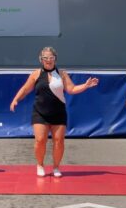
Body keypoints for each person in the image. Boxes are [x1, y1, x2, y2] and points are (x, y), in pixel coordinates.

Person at [10, 47, 99, 177]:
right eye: (45, 58)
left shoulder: (62, 74)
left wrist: (85, 86)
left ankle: (56, 167)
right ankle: (40, 165)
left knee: (59, 141)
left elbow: (72, 89)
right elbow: (25, 89)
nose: (48, 60)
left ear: (55, 59)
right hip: (39, 112)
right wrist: (15, 99)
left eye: (51, 57)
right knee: (40, 140)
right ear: (41, 60)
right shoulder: (36, 74)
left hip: (58, 113)